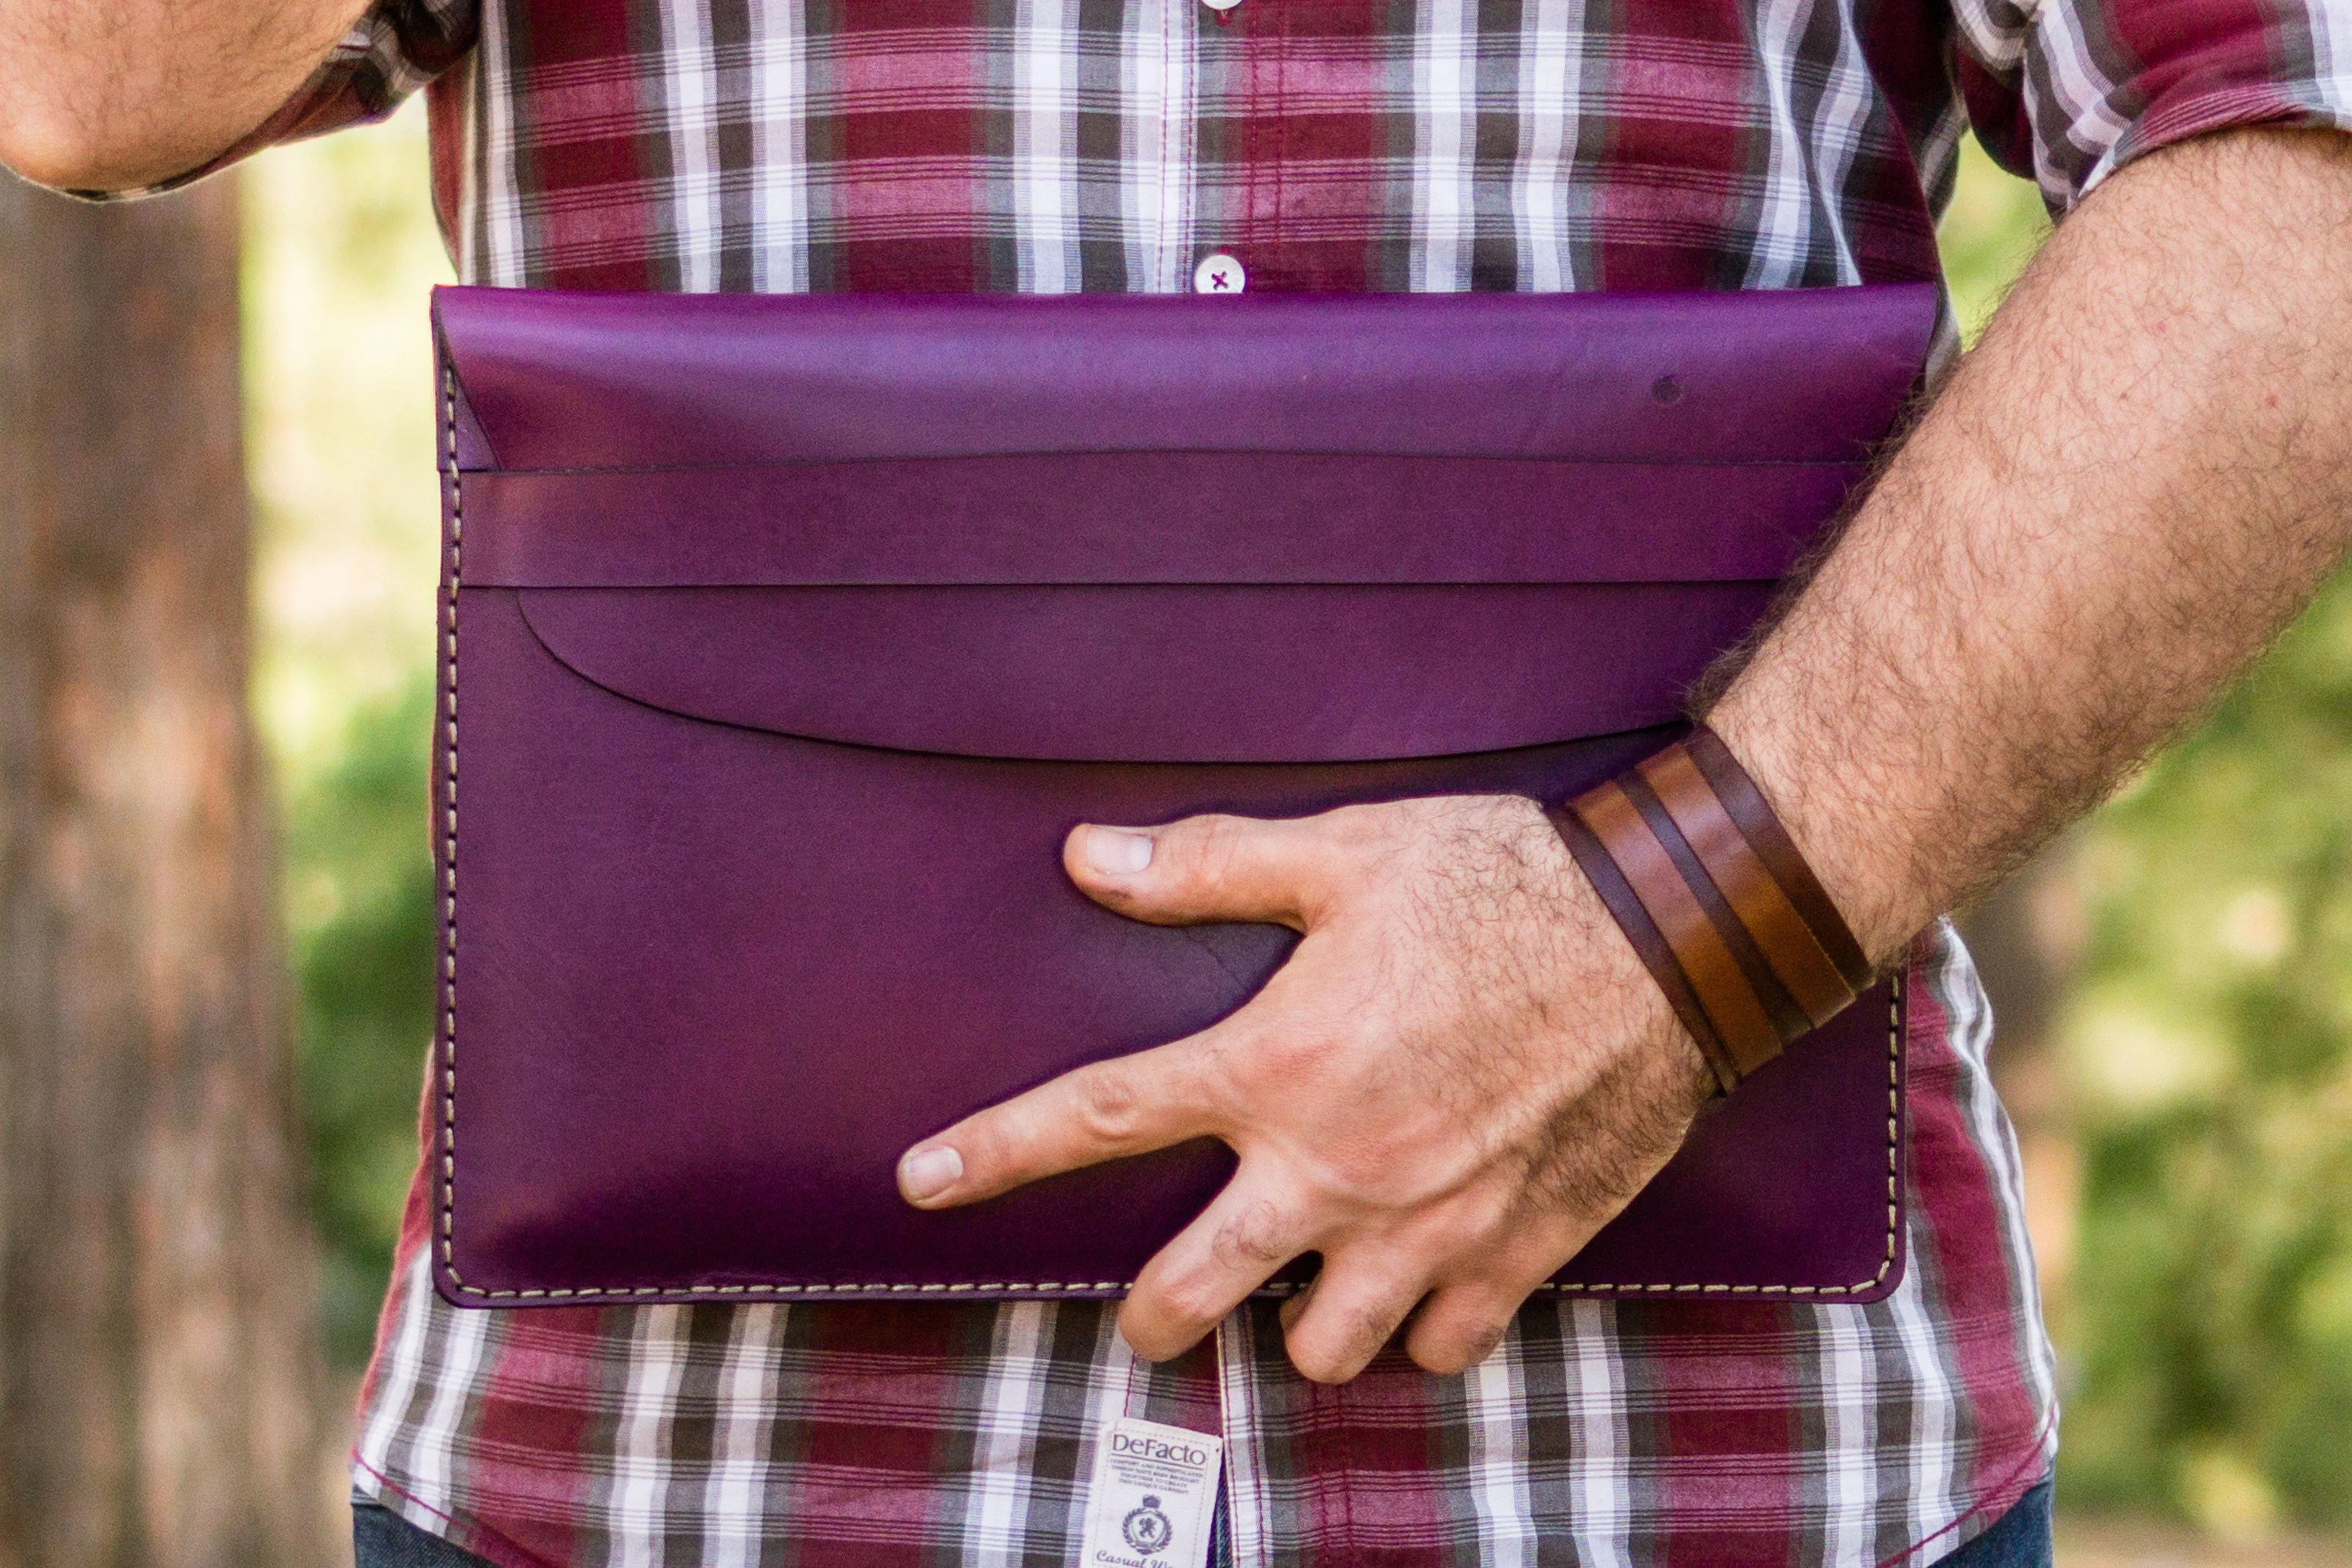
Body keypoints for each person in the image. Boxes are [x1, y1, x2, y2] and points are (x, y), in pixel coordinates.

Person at [7, 2, 2349, 1563]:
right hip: (666, 1482)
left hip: (1701, 1479)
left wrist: (1670, 932)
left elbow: (2298, 151)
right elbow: (87, 72)